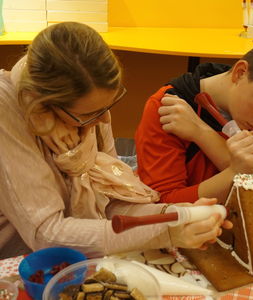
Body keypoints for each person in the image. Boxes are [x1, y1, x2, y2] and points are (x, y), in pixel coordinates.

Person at [0, 22, 231, 258]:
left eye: (109, 106)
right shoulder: (6, 112)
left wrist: (172, 216)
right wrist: (165, 231)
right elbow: (47, 234)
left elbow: (111, 200)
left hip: (77, 252)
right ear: (44, 104)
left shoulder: (93, 109)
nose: (105, 120)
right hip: (20, 259)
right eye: (88, 115)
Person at [135, 32, 253, 203]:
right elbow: (164, 204)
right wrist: (237, 173)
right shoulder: (168, 106)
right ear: (240, 72)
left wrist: (202, 133)